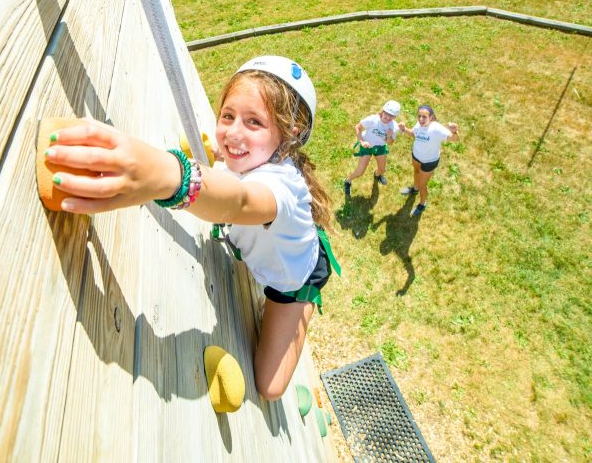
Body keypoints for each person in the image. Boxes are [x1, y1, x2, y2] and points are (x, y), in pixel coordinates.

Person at [43, 56, 338, 402]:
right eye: (228, 116)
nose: (233, 133)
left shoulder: (281, 191)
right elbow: (233, 178)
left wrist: (171, 177)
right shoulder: (250, 156)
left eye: (254, 122)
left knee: (269, 388)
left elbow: (243, 201)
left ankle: (304, 307)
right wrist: (218, 154)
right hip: (268, 248)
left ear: (291, 134)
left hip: (292, 282)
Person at [397, 104, 460, 216]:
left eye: (424, 117)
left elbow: (455, 139)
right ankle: (414, 189)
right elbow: (413, 133)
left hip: (429, 162)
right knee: (416, 172)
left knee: (423, 185)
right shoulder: (419, 124)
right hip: (416, 156)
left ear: (431, 117)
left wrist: (455, 131)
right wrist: (404, 129)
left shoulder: (436, 128)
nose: (421, 119)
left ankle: (422, 203)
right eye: (419, 116)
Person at [343, 100, 401, 198]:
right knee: (360, 171)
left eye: (391, 116)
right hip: (367, 145)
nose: (388, 117)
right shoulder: (373, 120)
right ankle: (347, 181)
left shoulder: (394, 127)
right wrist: (362, 141)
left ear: (395, 117)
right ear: (383, 111)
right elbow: (358, 127)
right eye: (386, 113)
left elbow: (390, 143)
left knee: (382, 170)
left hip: (380, 147)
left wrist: (389, 137)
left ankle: (377, 175)